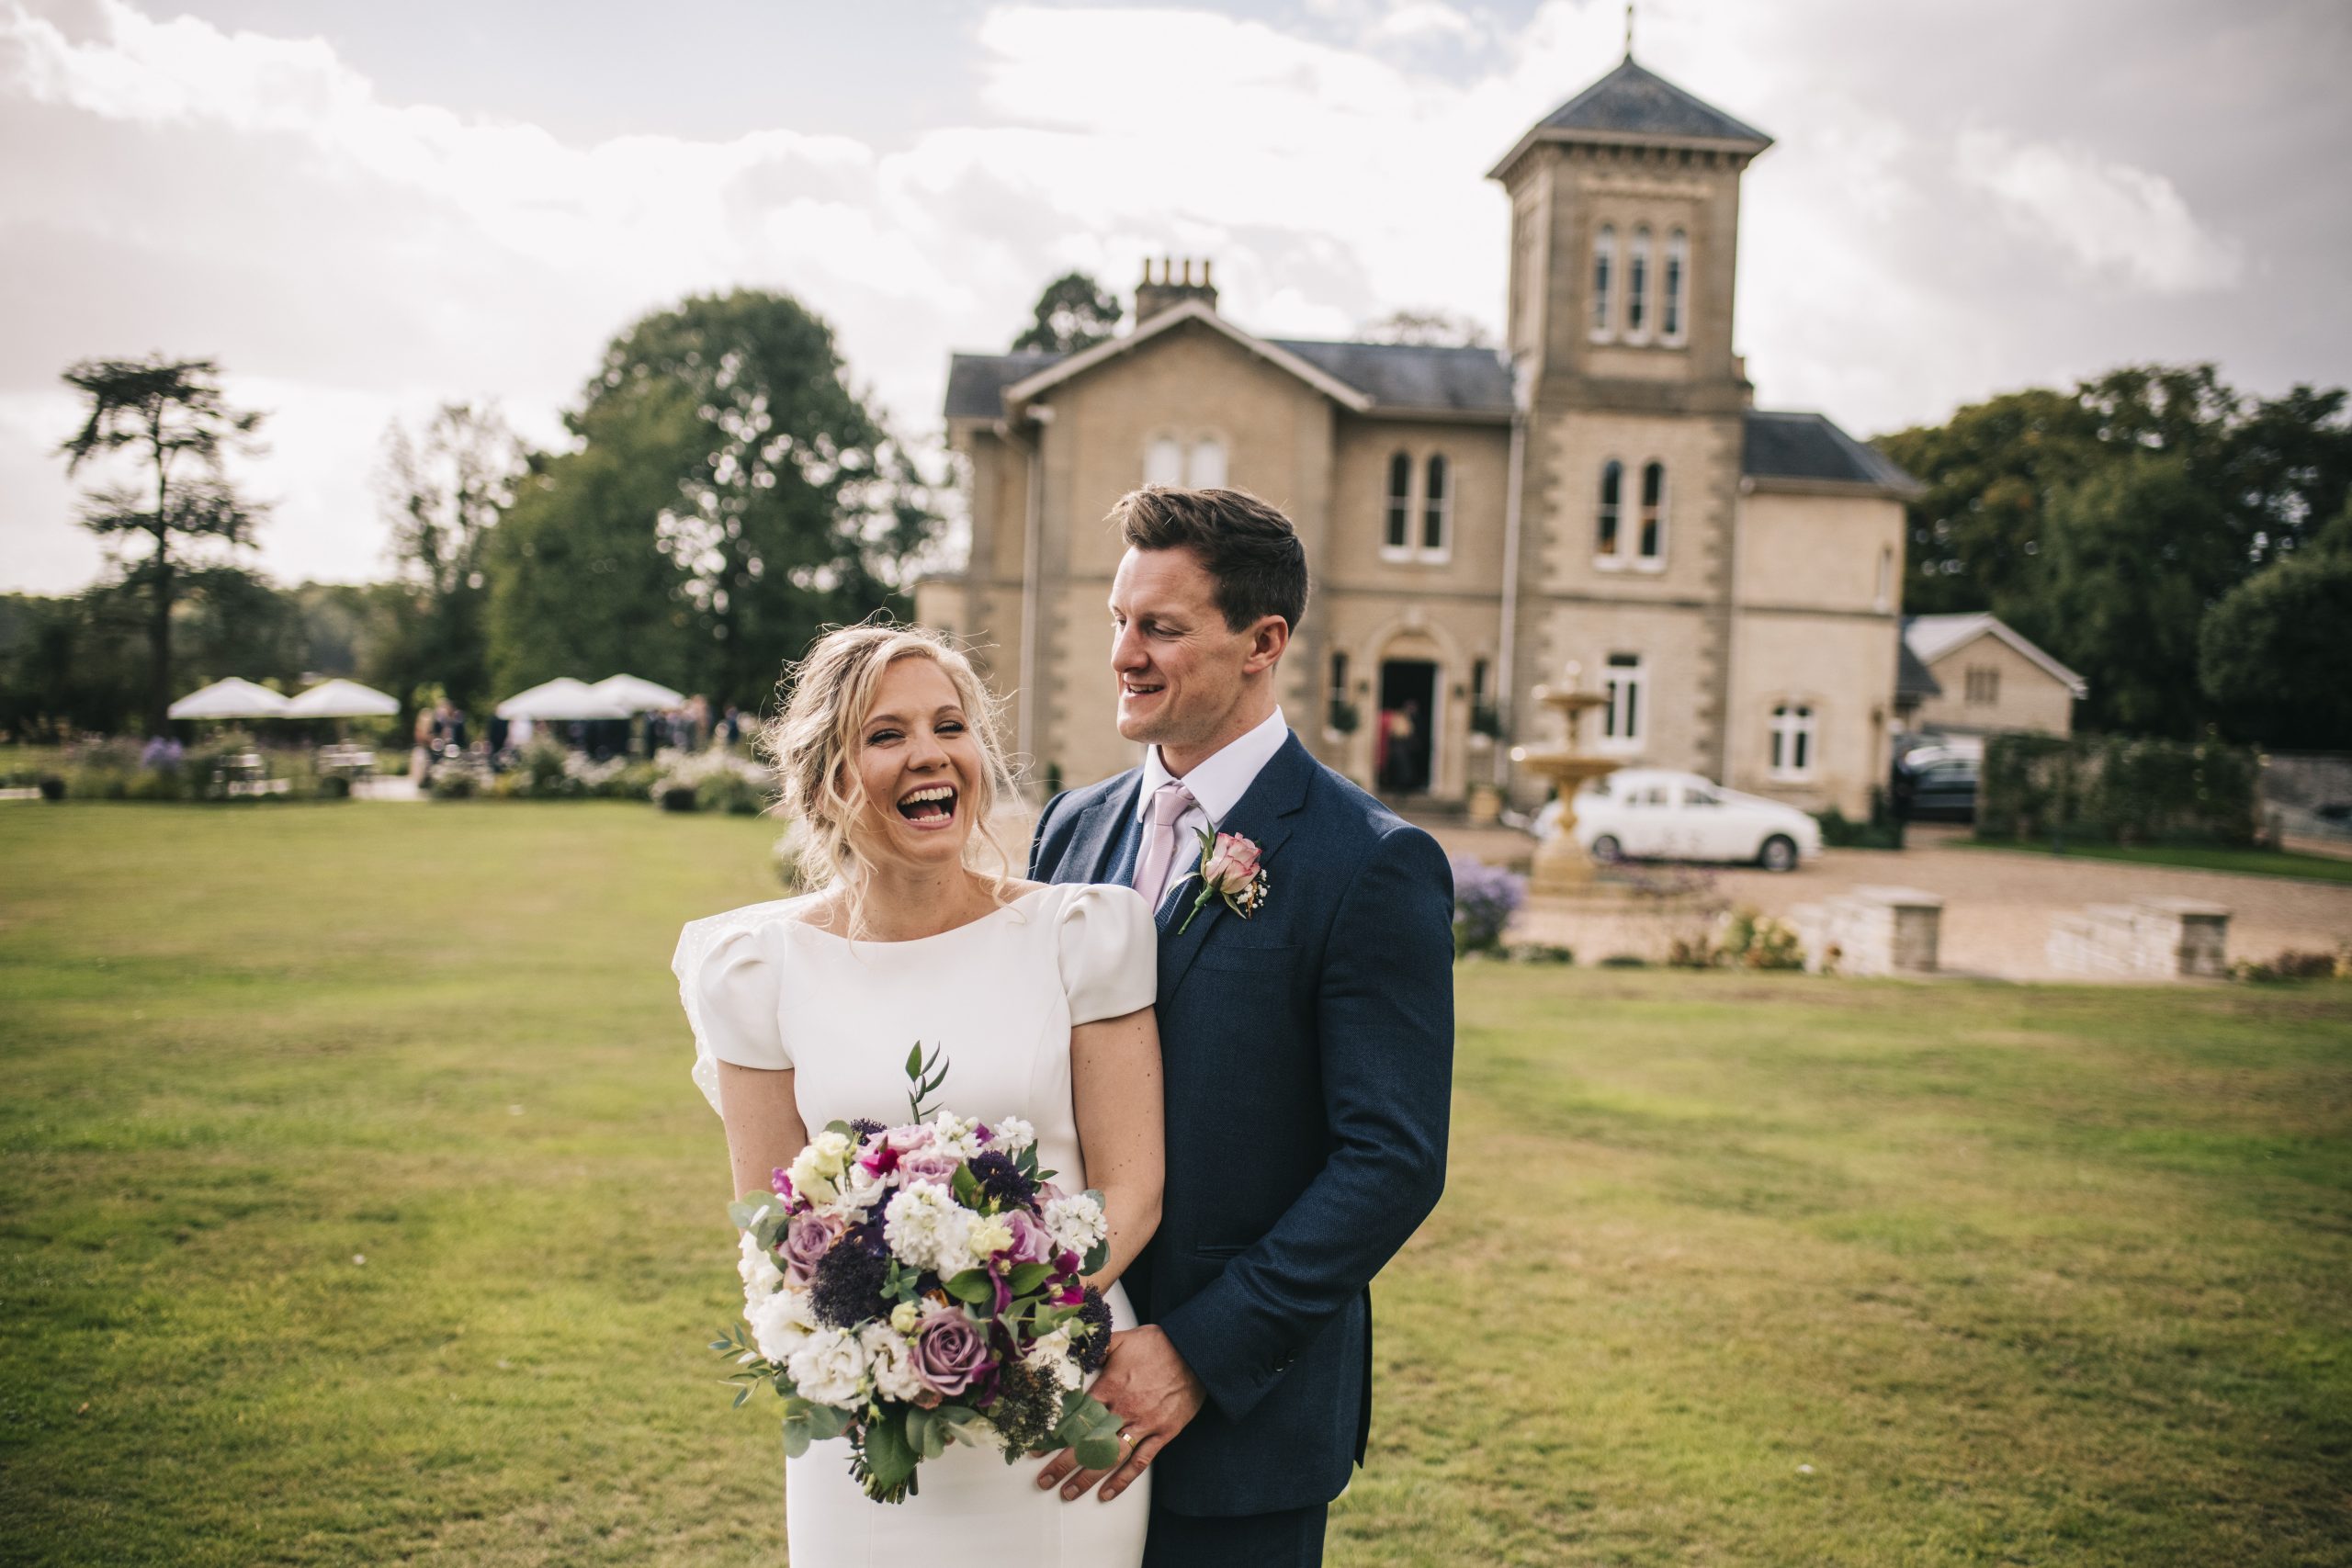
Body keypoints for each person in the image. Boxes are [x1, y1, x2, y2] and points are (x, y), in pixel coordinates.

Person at [672, 624, 1166, 1565]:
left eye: (950, 726)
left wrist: (994, 1327)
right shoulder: (756, 972)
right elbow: (772, 1223)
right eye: (886, 734)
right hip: (865, 1426)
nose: (929, 755)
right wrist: (887, 1348)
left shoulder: (1081, 935)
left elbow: (1131, 1190)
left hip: (1053, 1407)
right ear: (827, 776)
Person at [1027, 486, 1454, 1567]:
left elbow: (1389, 1162)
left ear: (1264, 641)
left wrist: (1196, 1353)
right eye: (1119, 619)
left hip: (1238, 1423)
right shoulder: (1070, 830)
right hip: (1037, 1390)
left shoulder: (1370, 861)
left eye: (1160, 628)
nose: (1123, 653)